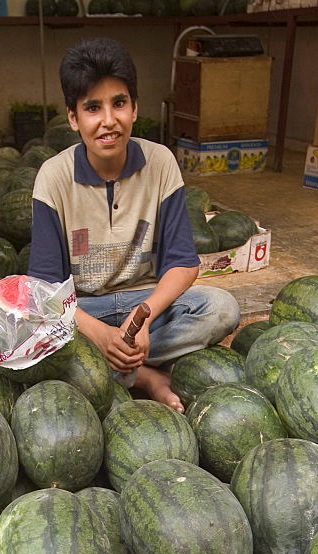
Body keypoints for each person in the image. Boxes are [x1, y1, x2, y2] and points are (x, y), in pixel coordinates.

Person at [28, 36, 241, 412]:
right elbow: (46, 289)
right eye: (93, 108)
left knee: (222, 308)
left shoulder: (161, 163)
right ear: (73, 118)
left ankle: (111, 367)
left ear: (135, 107)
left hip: (144, 305)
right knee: (28, 331)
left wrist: (143, 319)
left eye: (119, 103)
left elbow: (183, 262)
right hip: (82, 312)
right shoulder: (53, 177)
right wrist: (100, 334)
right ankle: (144, 376)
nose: (109, 121)